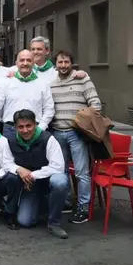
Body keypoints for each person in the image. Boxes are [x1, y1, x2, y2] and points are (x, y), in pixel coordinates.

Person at [50, 50, 102, 223]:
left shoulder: (83, 79)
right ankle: (65, 202)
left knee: (81, 172)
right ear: (55, 65)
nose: (63, 65)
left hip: (76, 134)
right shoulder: (51, 84)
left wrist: (82, 121)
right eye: (60, 62)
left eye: (66, 62)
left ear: (72, 63)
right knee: (61, 171)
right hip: (57, 132)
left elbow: (96, 105)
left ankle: (83, 208)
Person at [3, 109, 69, 239]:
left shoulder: (48, 139)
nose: (25, 130)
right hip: (30, 186)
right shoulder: (10, 140)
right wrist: (19, 169)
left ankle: (54, 223)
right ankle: (43, 206)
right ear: (15, 127)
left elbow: (58, 167)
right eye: (21, 127)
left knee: (60, 181)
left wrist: (32, 175)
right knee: (25, 221)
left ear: (35, 124)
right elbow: (6, 163)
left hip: (48, 180)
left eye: (29, 126)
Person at [0, 50, 55, 141]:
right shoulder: (5, 82)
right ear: (16, 63)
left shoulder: (43, 83)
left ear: (33, 63)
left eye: (28, 60)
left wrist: (41, 128)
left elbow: (49, 109)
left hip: (35, 130)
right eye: (22, 60)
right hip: (10, 130)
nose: (25, 63)